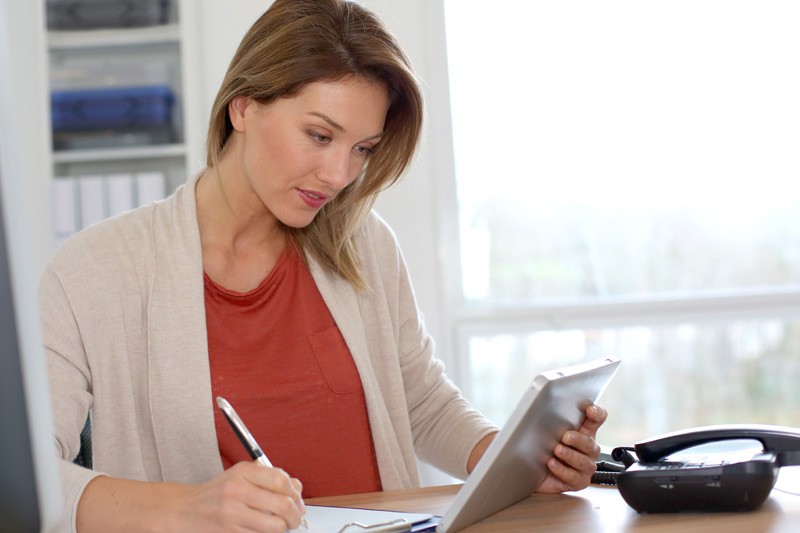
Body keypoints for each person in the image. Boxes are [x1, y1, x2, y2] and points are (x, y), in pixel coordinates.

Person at [40, 0, 608, 531]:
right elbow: (24, 477)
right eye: (319, 135)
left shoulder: (365, 246)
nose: (339, 176)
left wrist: (517, 461)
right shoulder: (96, 272)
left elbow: (423, 405)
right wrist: (190, 506)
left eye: (362, 148)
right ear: (243, 106)